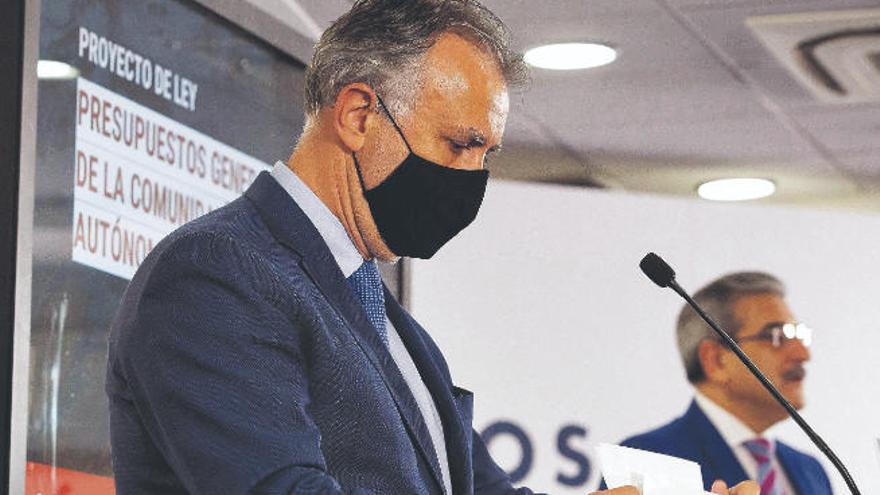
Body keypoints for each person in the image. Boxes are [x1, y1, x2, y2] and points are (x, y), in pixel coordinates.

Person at [105, 0, 758, 493]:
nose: (472, 177)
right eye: (458, 144)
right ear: (358, 115)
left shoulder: (380, 309)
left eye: (486, 154)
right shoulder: (217, 276)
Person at [614, 272, 832, 494]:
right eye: (776, 336)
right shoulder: (647, 459)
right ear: (715, 360)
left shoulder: (811, 470)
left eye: (798, 336)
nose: (803, 354)